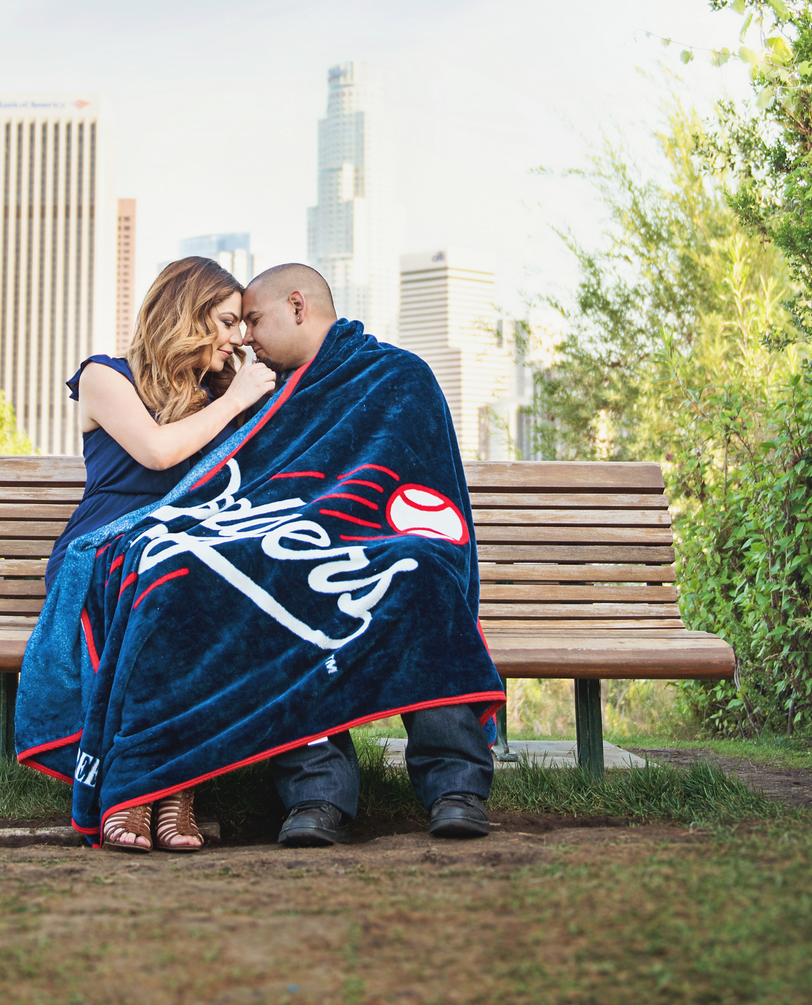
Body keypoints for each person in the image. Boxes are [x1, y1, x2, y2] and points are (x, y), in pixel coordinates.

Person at [239, 263, 496, 847]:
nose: (246, 337)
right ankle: (316, 791)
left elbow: (430, 493)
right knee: (275, 573)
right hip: (303, 549)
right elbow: (251, 495)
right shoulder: (264, 397)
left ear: (298, 306)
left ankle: (456, 785)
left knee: (423, 568)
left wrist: (362, 532)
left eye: (255, 320)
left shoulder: (401, 376)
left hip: (391, 545)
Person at [60, 255, 277, 852]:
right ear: (189, 311)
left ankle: (175, 788)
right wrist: (236, 401)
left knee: (190, 573)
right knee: (170, 569)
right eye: (229, 321)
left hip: (179, 552)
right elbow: (156, 453)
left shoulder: (215, 393)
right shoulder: (107, 375)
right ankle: (135, 787)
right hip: (106, 546)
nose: (239, 338)